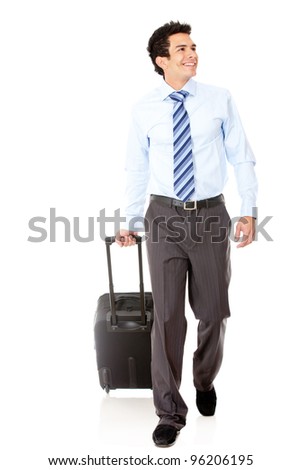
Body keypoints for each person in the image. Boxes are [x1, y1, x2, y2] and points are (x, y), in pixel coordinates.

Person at [116, 21, 257, 447]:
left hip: (212, 216)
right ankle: (169, 411)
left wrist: (248, 211)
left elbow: (243, 158)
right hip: (163, 216)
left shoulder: (219, 100)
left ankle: (203, 379)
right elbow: (136, 167)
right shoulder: (144, 109)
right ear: (162, 61)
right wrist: (130, 219)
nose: (191, 54)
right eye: (181, 49)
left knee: (214, 313)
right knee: (167, 318)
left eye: (193, 47)